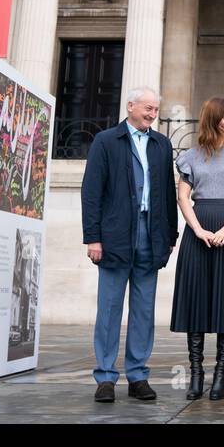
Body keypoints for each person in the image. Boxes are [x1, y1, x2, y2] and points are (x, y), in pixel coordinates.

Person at [81, 87, 178, 404]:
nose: (152, 113)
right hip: (115, 237)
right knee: (109, 309)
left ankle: (138, 376)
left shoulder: (162, 144)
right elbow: (92, 192)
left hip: (151, 236)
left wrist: (170, 236)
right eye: (147, 108)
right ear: (131, 106)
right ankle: (106, 377)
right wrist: (92, 237)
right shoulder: (106, 141)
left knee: (143, 311)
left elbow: (167, 194)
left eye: (155, 109)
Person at [171, 97, 224, 400]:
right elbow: (183, 197)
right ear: (212, 118)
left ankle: (221, 373)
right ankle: (196, 373)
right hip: (198, 230)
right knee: (196, 301)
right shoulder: (190, 156)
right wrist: (197, 229)